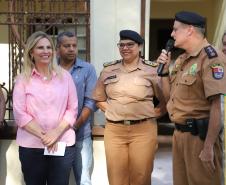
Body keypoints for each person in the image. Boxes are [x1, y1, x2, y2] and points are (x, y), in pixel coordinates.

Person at [157, 11, 226, 185]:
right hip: (179, 135)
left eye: (175, 30)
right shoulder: (181, 59)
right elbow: (169, 97)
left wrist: (209, 147)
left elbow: (217, 107)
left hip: (200, 139)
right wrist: (164, 71)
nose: (172, 34)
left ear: (189, 30)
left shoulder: (211, 58)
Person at [92, 29, 166, 185]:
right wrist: (113, 111)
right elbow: (99, 98)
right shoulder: (108, 70)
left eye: (130, 45)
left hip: (143, 130)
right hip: (114, 131)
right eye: (121, 45)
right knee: (116, 178)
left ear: (139, 47)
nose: (125, 48)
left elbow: (165, 100)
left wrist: (150, 115)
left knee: (141, 176)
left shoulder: (151, 70)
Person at [13, 31, 78, 185]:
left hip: (62, 142)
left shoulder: (65, 77)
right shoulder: (22, 80)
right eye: (40, 48)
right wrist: (46, 137)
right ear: (31, 52)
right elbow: (20, 114)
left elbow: (72, 109)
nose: (46, 51)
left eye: (49, 47)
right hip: (32, 145)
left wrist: (55, 133)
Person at [56, 31, 97, 185]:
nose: (72, 49)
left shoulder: (87, 69)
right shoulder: (50, 68)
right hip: (55, 137)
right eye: (67, 46)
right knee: (57, 180)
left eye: (74, 45)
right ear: (58, 48)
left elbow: (91, 101)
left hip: (81, 134)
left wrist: (74, 126)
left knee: (84, 180)